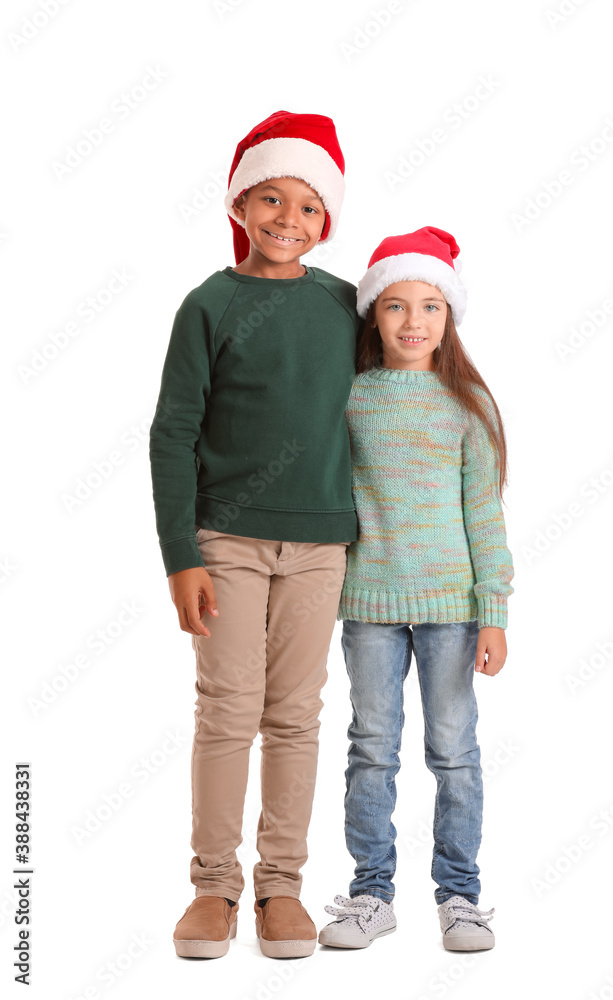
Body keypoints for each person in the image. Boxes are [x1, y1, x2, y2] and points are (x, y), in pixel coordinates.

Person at [149, 111, 359, 960]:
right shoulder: (210, 304)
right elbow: (173, 432)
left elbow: (386, 405)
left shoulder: (348, 305)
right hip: (226, 540)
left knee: (297, 715)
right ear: (241, 204)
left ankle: (281, 887)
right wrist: (181, 556)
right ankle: (213, 887)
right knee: (227, 711)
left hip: (321, 547)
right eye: (271, 198)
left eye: (308, 207)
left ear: (327, 220)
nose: (288, 219)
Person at [318, 226, 514, 952]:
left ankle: (460, 897)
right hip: (367, 605)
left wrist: (492, 609)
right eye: (396, 306)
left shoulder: (468, 405)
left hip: (452, 612)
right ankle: (372, 894)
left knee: (454, 750)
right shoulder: (350, 398)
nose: (412, 322)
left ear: (448, 316)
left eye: (430, 306)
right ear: (374, 315)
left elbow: (484, 515)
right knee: (371, 747)